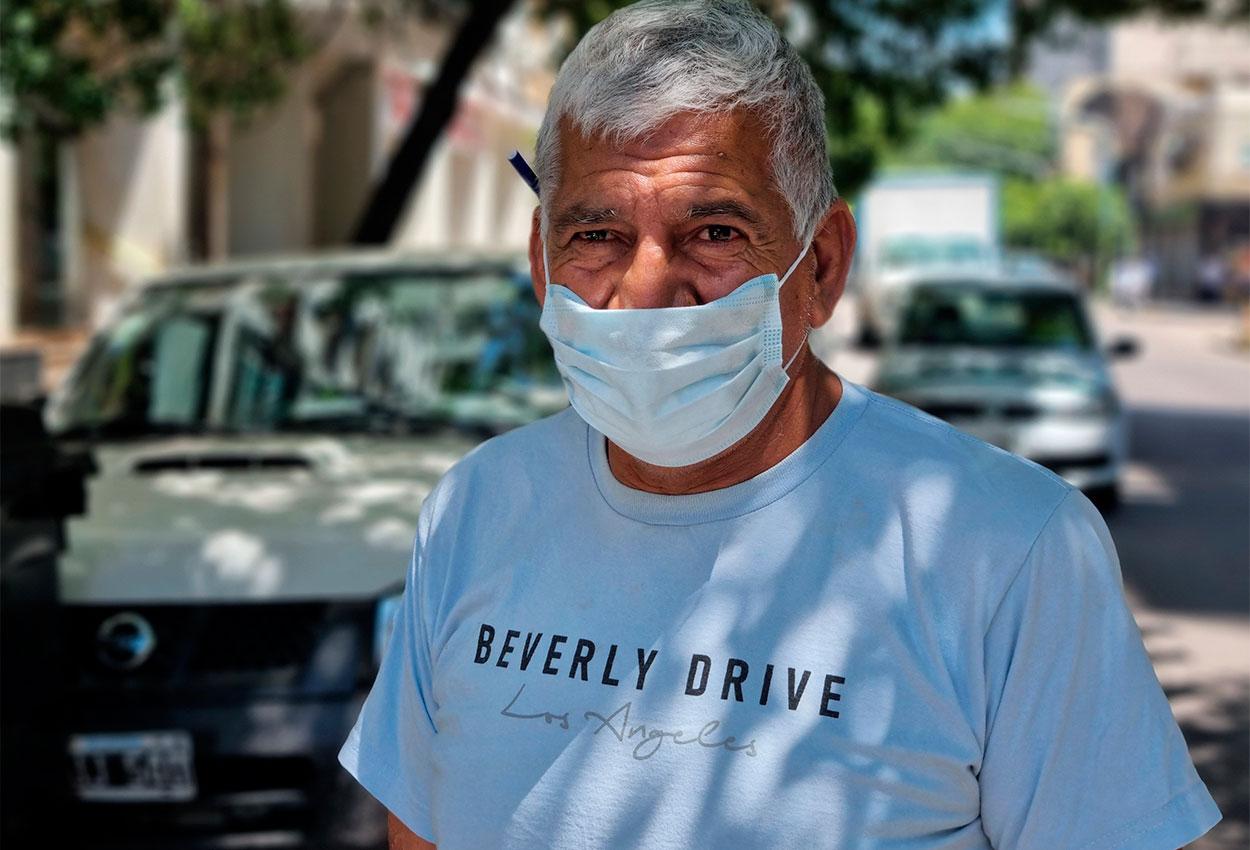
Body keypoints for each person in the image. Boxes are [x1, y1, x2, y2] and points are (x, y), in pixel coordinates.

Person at [338, 2, 1223, 848]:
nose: (646, 291)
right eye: (597, 233)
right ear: (541, 261)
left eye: (715, 231)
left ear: (823, 267)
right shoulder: (474, 511)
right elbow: (424, 829)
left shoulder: (1008, 549)